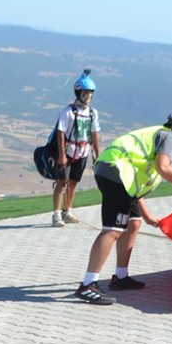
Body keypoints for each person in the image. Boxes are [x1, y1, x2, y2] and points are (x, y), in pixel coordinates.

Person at [74, 111, 172, 305]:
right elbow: (163, 167)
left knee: (134, 223)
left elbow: (136, 186)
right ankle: (88, 285)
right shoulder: (170, 137)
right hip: (115, 173)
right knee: (113, 230)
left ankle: (120, 277)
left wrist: (147, 215)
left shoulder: (158, 134)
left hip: (116, 174)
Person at [50, 69, 102, 227]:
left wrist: (98, 155)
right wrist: (61, 155)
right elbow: (60, 132)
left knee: (73, 182)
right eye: (85, 92)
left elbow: (94, 134)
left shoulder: (93, 113)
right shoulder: (68, 112)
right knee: (61, 182)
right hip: (68, 151)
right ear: (78, 92)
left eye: (90, 93)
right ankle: (56, 214)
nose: (88, 96)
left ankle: (68, 210)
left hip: (83, 152)